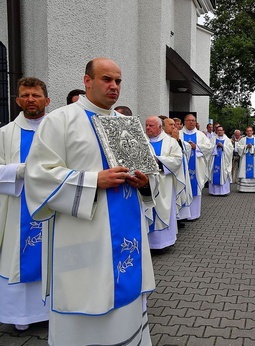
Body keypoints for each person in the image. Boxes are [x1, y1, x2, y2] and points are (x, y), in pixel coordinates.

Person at [25, 57, 156, 346]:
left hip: (127, 233)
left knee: (125, 301)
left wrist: (146, 183)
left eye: (118, 81)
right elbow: (38, 176)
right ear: (87, 81)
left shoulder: (128, 125)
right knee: (84, 294)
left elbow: (149, 172)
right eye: (106, 79)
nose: (113, 86)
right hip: (84, 235)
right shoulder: (60, 120)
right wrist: (92, 181)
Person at [0, 77, 51, 331]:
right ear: (18, 100)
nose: (31, 99)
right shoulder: (5, 133)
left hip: (54, 208)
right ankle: (22, 318)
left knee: (52, 258)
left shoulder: (57, 130)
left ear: (47, 100)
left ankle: (54, 313)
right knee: (20, 257)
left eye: (36, 95)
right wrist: (20, 171)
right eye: (25, 95)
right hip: (18, 209)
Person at [145, 116, 183, 250]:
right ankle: (147, 243)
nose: (148, 128)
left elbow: (178, 160)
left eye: (151, 126)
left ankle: (163, 243)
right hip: (146, 183)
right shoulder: (141, 140)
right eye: (147, 125)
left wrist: (159, 161)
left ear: (160, 127)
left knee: (163, 210)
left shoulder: (171, 142)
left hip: (164, 183)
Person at [180, 114, 212, 220]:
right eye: (188, 120)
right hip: (182, 168)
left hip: (197, 167)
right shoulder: (179, 134)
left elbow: (209, 147)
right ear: (184, 122)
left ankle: (194, 214)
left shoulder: (201, 135)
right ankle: (182, 215)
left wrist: (197, 147)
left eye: (193, 120)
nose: (191, 122)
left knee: (195, 188)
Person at [208, 125, 233, 196]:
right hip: (214, 160)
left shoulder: (227, 140)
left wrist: (223, 146)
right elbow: (209, 148)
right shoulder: (213, 139)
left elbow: (230, 150)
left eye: (221, 130)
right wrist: (215, 147)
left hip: (223, 161)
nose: (219, 131)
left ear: (223, 131)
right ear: (216, 131)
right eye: (218, 130)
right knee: (214, 173)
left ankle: (223, 192)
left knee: (223, 173)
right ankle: (213, 191)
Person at [237, 126, 255, 192]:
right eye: (248, 131)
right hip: (245, 159)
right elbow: (239, 148)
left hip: (253, 159)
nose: (249, 132)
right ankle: (243, 188)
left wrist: (252, 147)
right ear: (246, 132)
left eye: (250, 131)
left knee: (253, 171)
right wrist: (246, 147)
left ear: (252, 131)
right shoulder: (242, 140)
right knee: (244, 171)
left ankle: (254, 189)